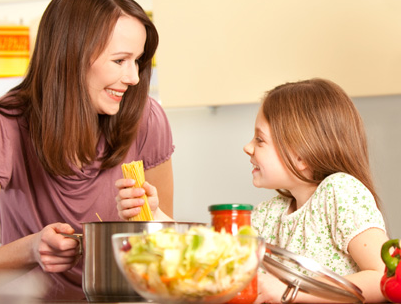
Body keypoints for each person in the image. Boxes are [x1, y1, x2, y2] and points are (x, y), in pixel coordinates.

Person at [0, 0, 174, 300]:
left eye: (138, 61)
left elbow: (167, 259)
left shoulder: (147, 118)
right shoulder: (1, 125)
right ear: (72, 55)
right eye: (119, 60)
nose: (134, 77)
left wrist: (150, 219)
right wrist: (32, 248)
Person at [117, 78, 388, 303]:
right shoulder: (269, 214)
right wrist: (155, 213)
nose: (248, 147)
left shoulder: (340, 192)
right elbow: (209, 254)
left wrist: (288, 291)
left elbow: (384, 278)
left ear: (302, 157)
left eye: (260, 139)